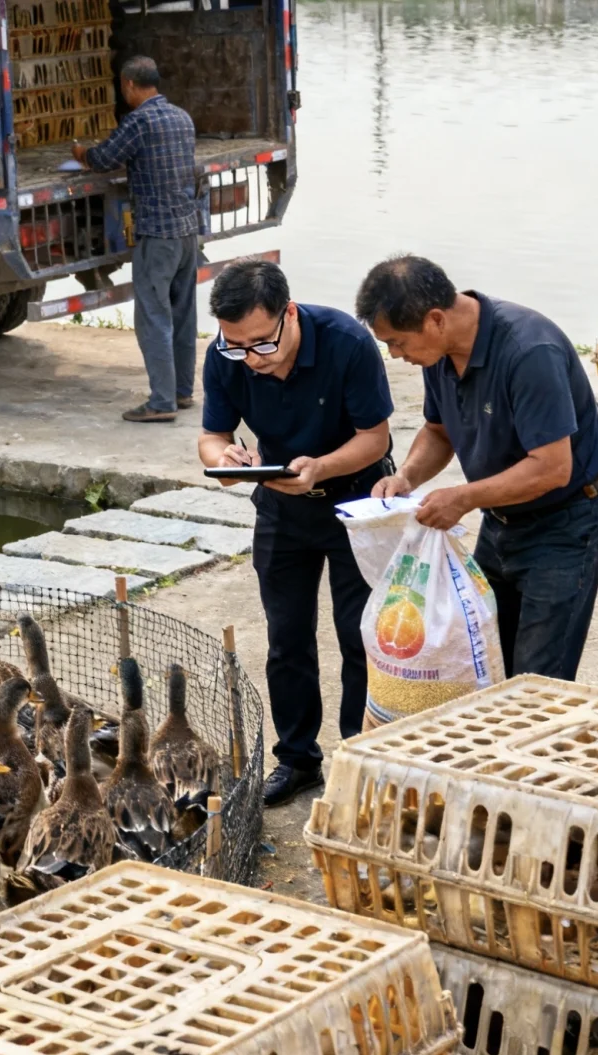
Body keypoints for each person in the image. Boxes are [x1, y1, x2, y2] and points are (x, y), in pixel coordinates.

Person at [358, 254, 598, 681]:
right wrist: (406, 476)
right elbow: (438, 431)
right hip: (500, 522)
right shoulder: (438, 354)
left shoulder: (530, 352)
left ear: (435, 319)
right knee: (484, 663)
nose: (395, 354)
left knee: (537, 680)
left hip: (566, 525)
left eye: (398, 343)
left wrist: (463, 498)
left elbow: (552, 468)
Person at [196, 260, 392, 807]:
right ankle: (298, 759)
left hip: (356, 501)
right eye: (237, 346)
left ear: (289, 313)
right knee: (286, 639)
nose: (252, 358)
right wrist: (226, 458)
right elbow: (211, 436)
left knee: (360, 635)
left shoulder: (347, 342)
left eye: (262, 343)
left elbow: (375, 438)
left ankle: (359, 756)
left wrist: (321, 468)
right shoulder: (224, 355)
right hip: (281, 506)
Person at [72, 56, 201, 424]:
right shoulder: (182, 117)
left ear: (129, 84)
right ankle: (181, 391)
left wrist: (80, 153)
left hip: (157, 234)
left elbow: (103, 159)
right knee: (182, 315)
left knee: (153, 318)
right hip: (187, 231)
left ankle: (161, 403)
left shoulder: (138, 122)